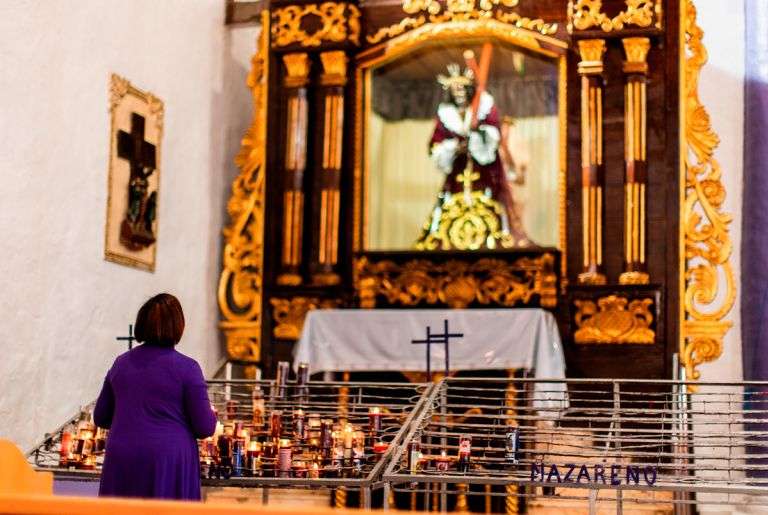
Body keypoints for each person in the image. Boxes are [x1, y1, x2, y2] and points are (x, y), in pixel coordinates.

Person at [94, 293, 217, 500]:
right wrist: (212, 414)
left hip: (122, 457)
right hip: (167, 461)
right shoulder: (187, 368)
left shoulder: (121, 363)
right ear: (178, 327)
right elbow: (205, 427)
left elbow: (101, 417)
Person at [415, 60, 530, 249]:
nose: (459, 93)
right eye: (455, 89)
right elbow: (435, 144)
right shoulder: (446, 115)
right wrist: (453, 147)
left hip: (485, 171)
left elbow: (494, 133)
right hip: (458, 172)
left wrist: (477, 136)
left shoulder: (485, 108)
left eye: (462, 88)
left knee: (494, 209)